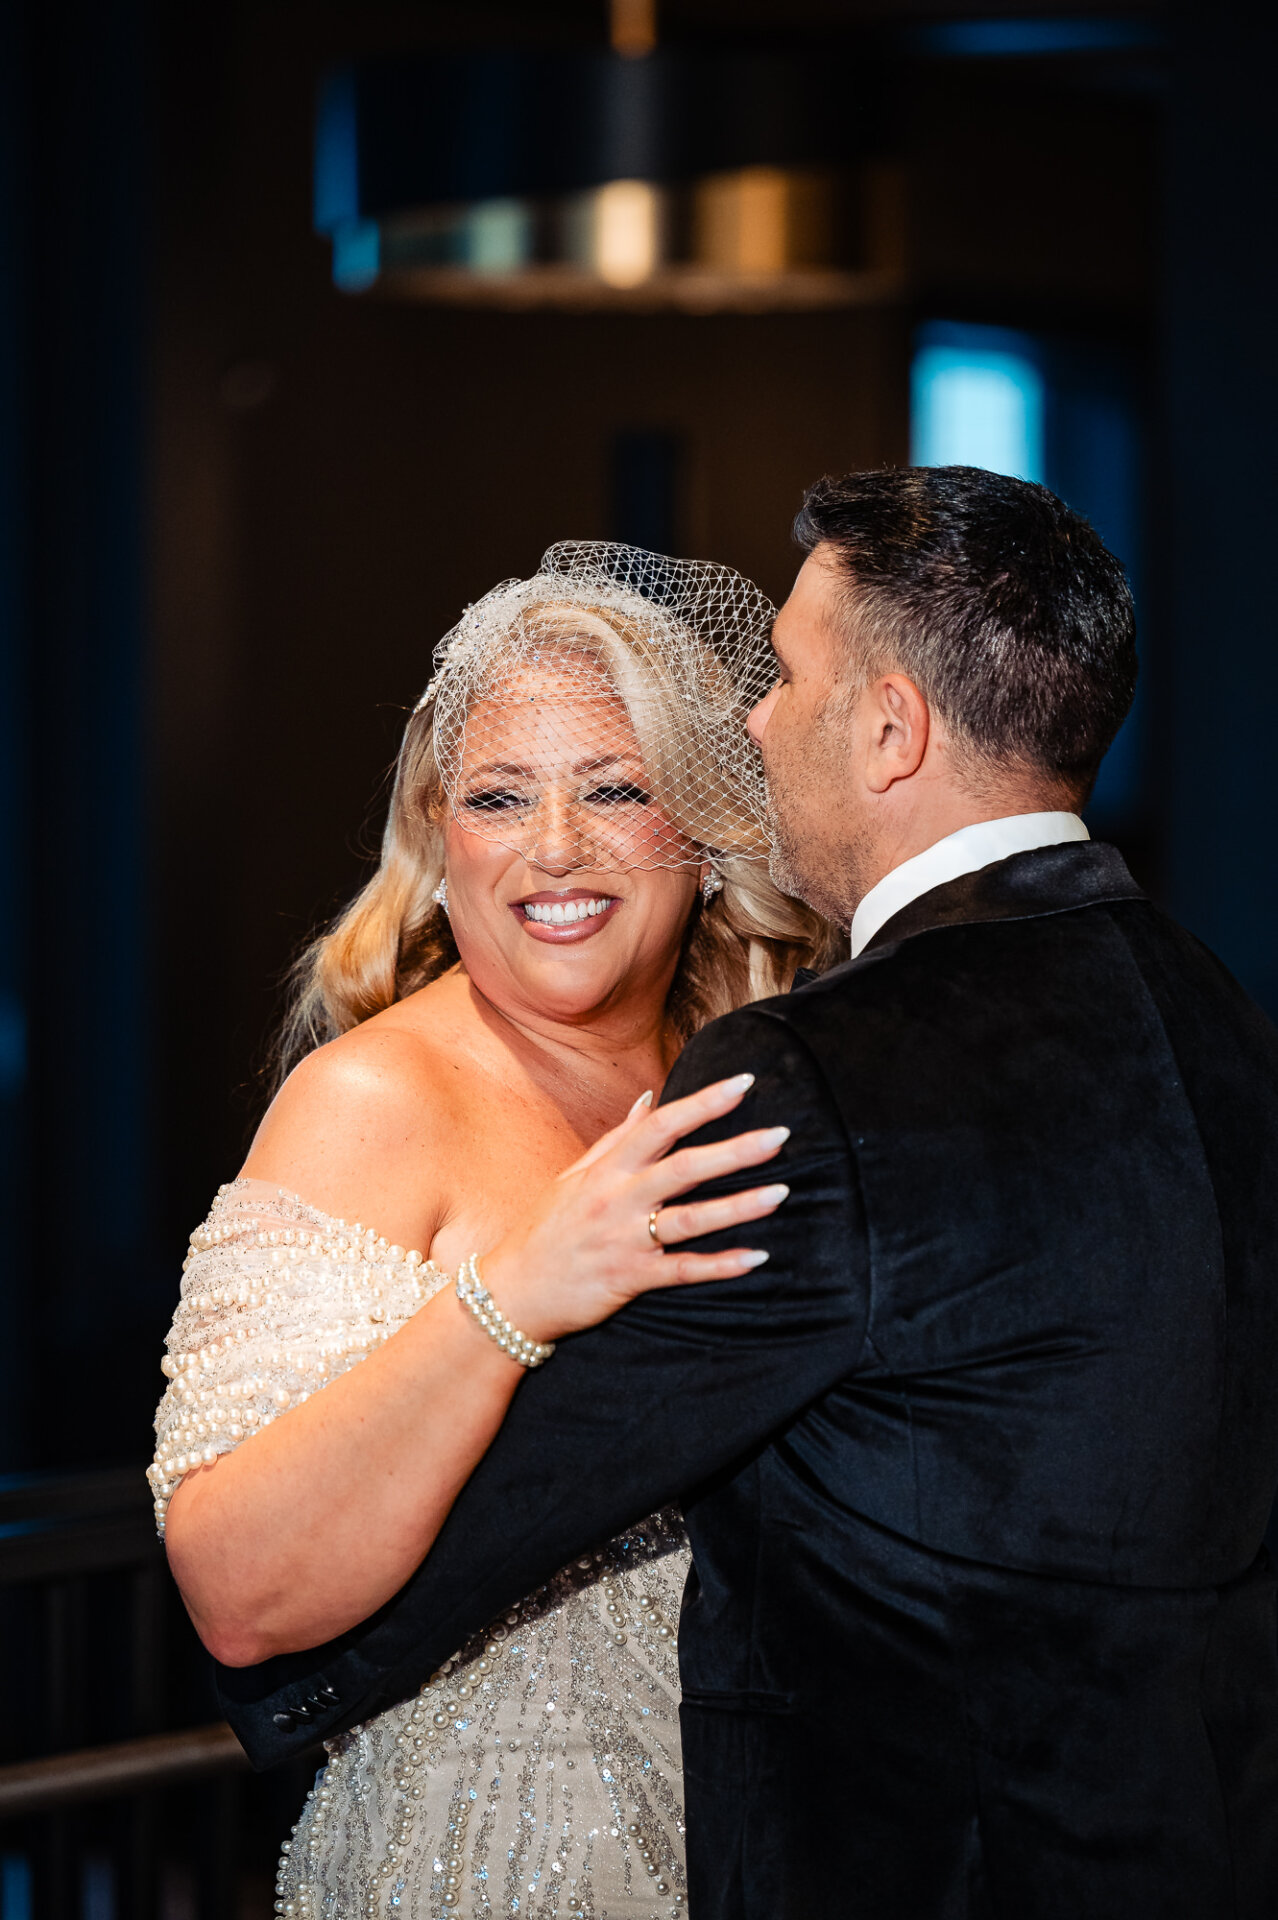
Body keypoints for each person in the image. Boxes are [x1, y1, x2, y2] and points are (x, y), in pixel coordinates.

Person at [221, 468, 1278, 1919]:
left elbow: (543, 1482)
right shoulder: (1220, 1015)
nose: (756, 723)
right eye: (498, 796)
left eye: (780, 681)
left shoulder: (820, 1068)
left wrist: (287, 1682)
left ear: (892, 726)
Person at [152, 542, 837, 1917]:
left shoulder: (742, 1075)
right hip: (493, 1859)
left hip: (755, 1839)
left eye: (614, 790)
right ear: (438, 837)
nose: (555, 850)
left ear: (701, 838)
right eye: (500, 797)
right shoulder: (372, 1099)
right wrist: (513, 1290)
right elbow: (238, 1588)